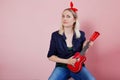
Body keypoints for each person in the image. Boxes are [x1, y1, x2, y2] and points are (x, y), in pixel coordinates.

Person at [47, 2, 95, 80]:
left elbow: (82, 55)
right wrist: (67, 61)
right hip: (61, 67)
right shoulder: (55, 35)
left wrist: (86, 46)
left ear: (74, 20)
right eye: (63, 16)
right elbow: (50, 56)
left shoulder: (81, 34)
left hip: (78, 68)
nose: (64, 19)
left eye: (68, 16)